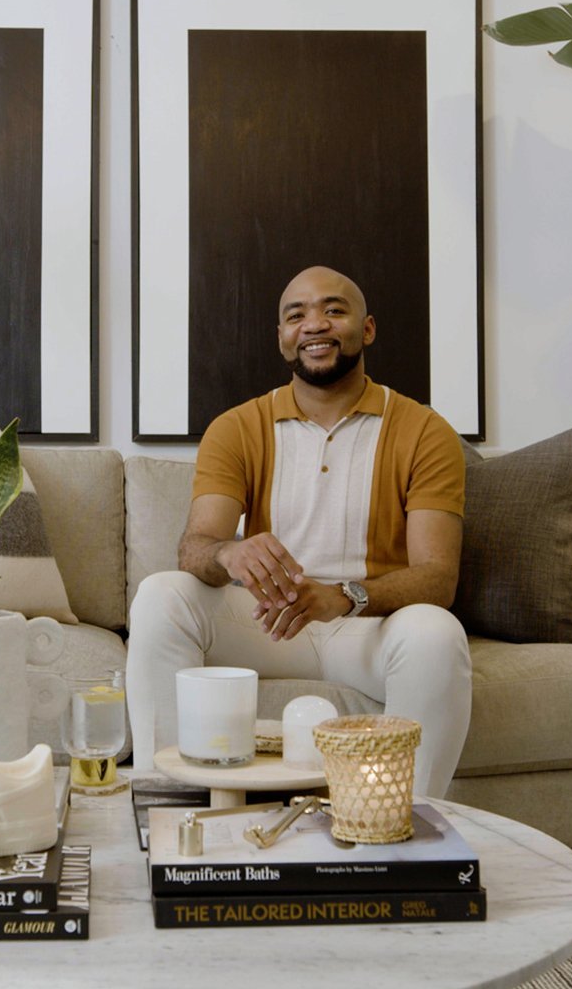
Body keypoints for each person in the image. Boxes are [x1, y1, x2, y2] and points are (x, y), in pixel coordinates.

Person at [126, 265, 472, 798]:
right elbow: (194, 549)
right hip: (267, 621)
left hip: (367, 624)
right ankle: (165, 802)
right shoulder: (238, 427)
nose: (314, 325)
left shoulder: (424, 430)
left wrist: (344, 597)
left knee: (436, 632)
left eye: (334, 310)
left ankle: (403, 815)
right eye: (297, 315)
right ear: (283, 338)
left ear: (368, 328)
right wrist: (229, 553)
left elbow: (437, 578)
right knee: (160, 595)